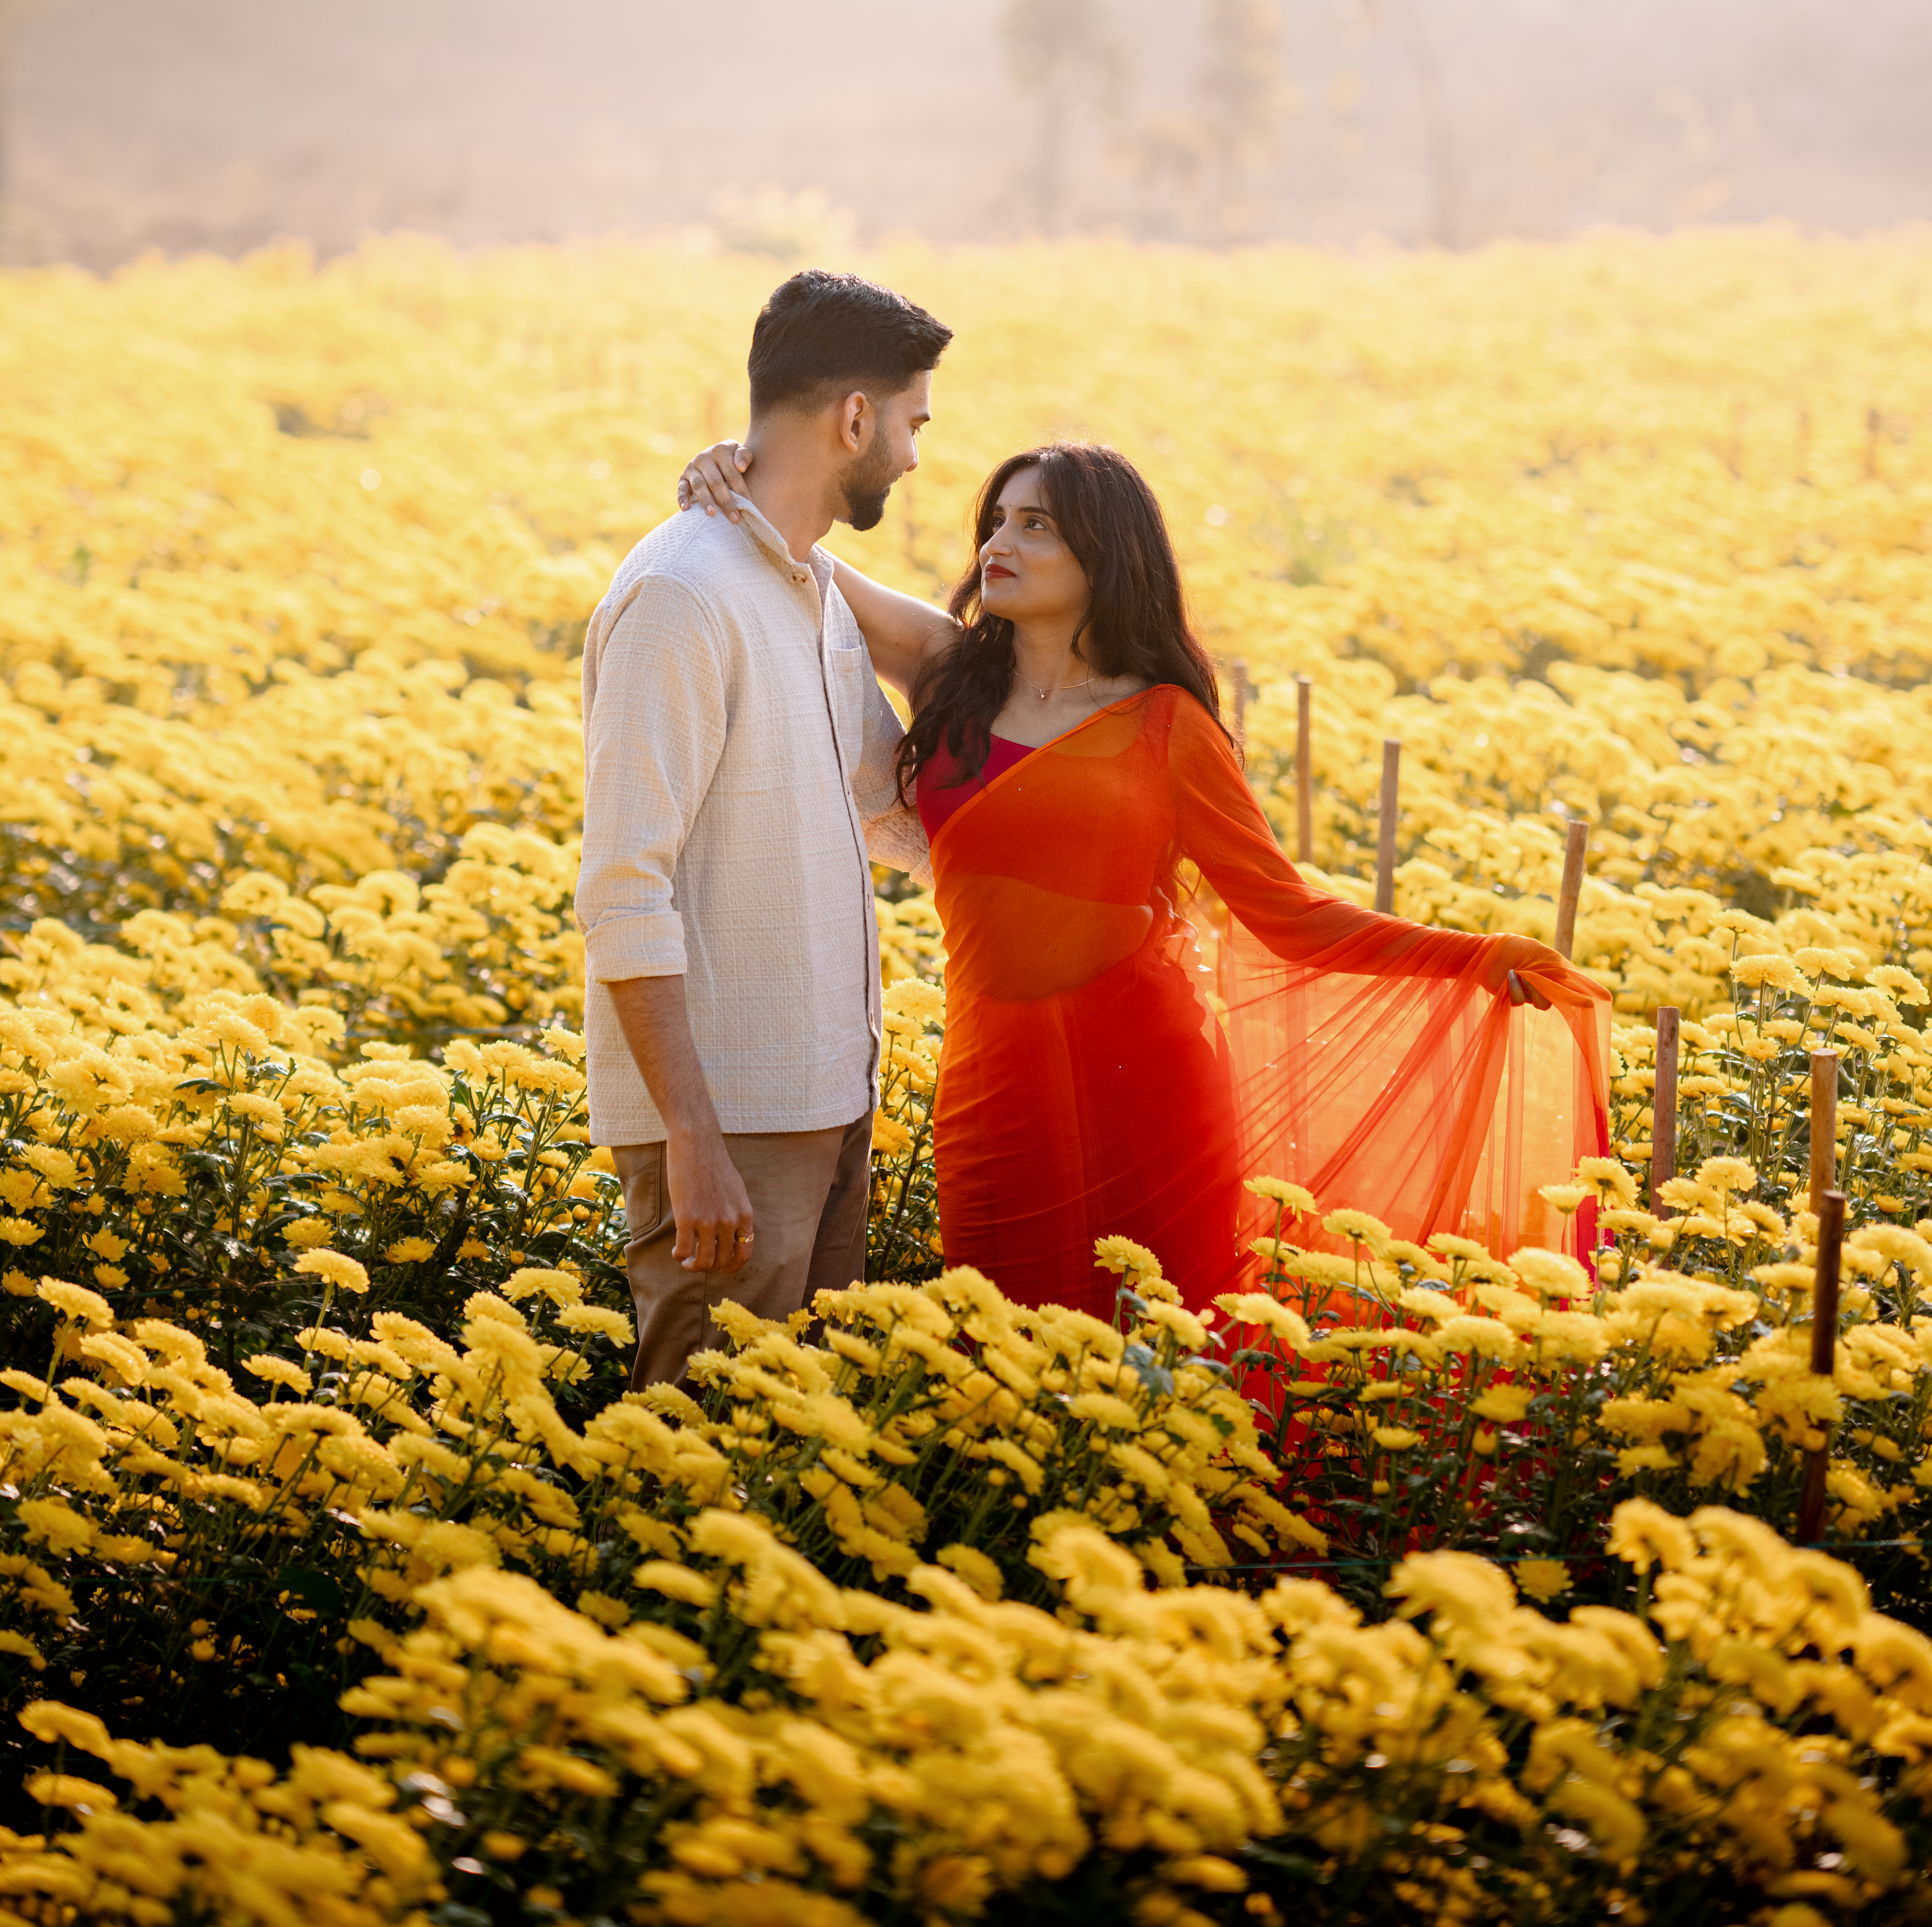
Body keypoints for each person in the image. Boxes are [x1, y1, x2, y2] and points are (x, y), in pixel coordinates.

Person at [678, 435, 1611, 1319]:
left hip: (1148, 1088)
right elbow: (800, 559)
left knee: (1165, 1357)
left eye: (1036, 524)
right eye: (997, 521)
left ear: (1108, 554)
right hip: (991, 1086)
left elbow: (1287, 913)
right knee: (996, 1355)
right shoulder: (948, 672)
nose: (1001, 543)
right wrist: (739, 469)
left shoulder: (1169, 726)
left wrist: (1472, 958)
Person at [577, 269, 948, 1388]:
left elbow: (884, 786)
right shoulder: (684, 597)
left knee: (784, 1443)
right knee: (690, 1462)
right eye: (913, 422)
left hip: (825, 1095)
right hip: (731, 1120)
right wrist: (693, 1139)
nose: (918, 456)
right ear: (853, 419)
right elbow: (621, 890)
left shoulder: (799, 581)